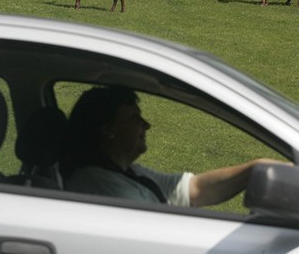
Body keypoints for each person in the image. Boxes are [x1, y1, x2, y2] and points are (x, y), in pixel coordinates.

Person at [60, 85, 284, 207]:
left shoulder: (130, 174)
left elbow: (195, 189)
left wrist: (257, 168)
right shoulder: (105, 189)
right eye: (134, 119)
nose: (146, 125)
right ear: (108, 129)